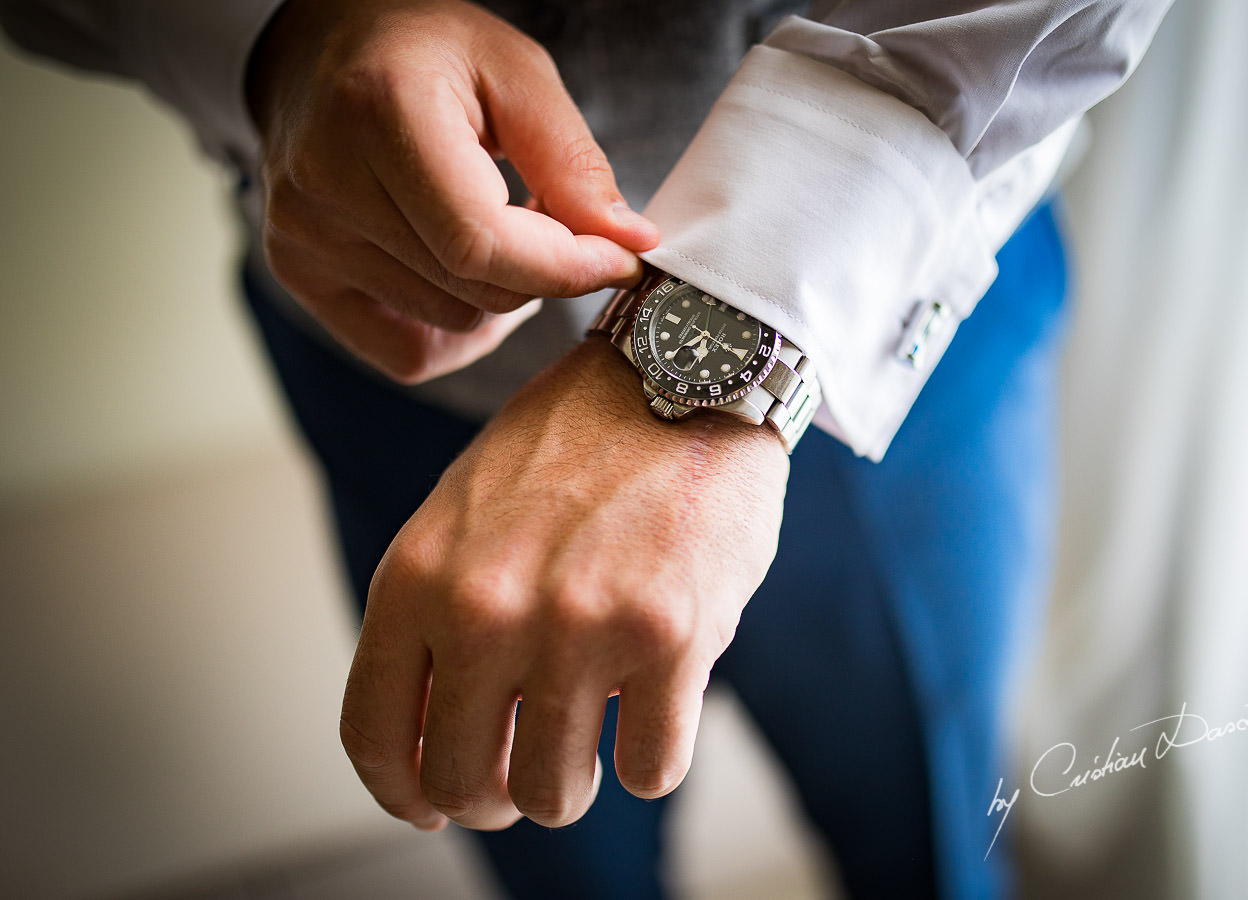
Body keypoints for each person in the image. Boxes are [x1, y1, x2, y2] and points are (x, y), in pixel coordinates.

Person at [0, 1, 1172, 896]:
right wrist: (278, 37)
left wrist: (735, 321)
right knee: (537, 835)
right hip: (389, 368)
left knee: (934, 828)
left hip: (903, 340)